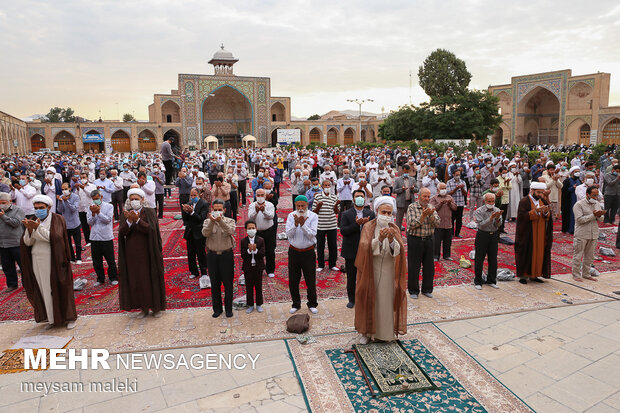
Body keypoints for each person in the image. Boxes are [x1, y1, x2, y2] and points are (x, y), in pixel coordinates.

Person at [354, 195, 406, 343]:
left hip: (389, 271)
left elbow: (399, 250)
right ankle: (366, 333)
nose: (386, 216)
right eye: (384, 212)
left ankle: (383, 334)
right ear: (377, 211)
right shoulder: (368, 226)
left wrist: (390, 240)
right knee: (368, 299)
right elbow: (364, 248)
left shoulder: (394, 228)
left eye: (389, 213)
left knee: (385, 303)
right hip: (371, 270)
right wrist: (380, 240)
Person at [20, 194, 77, 329]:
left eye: (41, 207)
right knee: (44, 289)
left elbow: (56, 239)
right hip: (37, 259)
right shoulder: (33, 219)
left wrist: (37, 228)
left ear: (49, 207)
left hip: (54, 260)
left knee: (60, 287)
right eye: (36, 208)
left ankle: (69, 318)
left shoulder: (57, 219)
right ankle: (52, 319)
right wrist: (29, 230)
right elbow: (27, 242)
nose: (38, 210)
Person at [118, 188, 166, 318]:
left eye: (136, 199)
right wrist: (129, 221)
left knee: (150, 277)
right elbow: (122, 232)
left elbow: (151, 230)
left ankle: (155, 307)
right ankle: (143, 308)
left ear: (142, 200)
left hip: (148, 251)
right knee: (137, 279)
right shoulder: (126, 214)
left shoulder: (149, 212)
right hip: (132, 253)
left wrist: (138, 220)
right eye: (132, 199)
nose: (134, 202)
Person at [340, 189, 375, 308]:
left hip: (367, 249)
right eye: (357, 196)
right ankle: (352, 299)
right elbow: (343, 231)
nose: (360, 198)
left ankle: (365, 297)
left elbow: (374, 231)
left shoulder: (370, 213)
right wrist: (357, 224)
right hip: (351, 250)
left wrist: (365, 225)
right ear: (353, 199)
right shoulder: (346, 214)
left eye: (361, 196)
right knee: (351, 276)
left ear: (364, 199)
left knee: (366, 276)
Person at [202, 199, 236, 318]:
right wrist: (212, 222)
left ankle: (228, 309)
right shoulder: (207, 221)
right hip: (212, 256)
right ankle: (217, 309)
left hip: (226, 255)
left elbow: (230, 231)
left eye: (219, 210)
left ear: (224, 210)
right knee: (215, 284)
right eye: (215, 210)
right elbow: (205, 233)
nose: (217, 212)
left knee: (228, 284)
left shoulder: (230, 221)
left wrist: (220, 221)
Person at [285, 195, 319, 314]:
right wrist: (295, 224)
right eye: (298, 206)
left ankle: (312, 303)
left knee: (310, 279)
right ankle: (296, 303)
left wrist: (303, 225)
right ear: (295, 205)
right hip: (294, 252)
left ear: (307, 205)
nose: (300, 208)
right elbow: (288, 234)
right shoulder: (291, 216)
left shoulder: (313, 216)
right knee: (293, 279)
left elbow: (312, 235)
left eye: (302, 206)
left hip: (308, 252)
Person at [515, 182, 553, 284]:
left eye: (541, 192)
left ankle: (535, 274)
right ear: (532, 191)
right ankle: (524, 276)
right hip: (528, 233)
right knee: (527, 252)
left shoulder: (542, 200)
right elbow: (522, 217)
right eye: (538, 192)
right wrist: (534, 212)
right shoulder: (524, 201)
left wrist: (545, 212)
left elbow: (548, 216)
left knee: (539, 253)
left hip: (540, 232)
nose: (540, 195)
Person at [406, 187, 439, 299]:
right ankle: (413, 291)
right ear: (419, 196)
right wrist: (423, 215)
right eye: (424, 196)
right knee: (414, 266)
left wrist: (430, 215)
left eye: (428, 196)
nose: (426, 199)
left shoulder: (431, 208)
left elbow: (438, 223)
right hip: (415, 239)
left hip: (429, 239)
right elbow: (411, 225)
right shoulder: (412, 207)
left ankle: (427, 289)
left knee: (429, 266)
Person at [572, 187, 605, 282]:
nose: (595, 197)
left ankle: (586, 274)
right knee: (578, 255)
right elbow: (579, 220)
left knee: (589, 256)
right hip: (582, 233)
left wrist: (599, 215)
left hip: (593, 233)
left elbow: (601, 219)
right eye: (594, 195)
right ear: (587, 194)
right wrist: (593, 215)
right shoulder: (579, 205)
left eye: (597, 195)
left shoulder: (597, 204)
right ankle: (576, 274)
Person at [87, 190, 118, 286]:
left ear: (101, 197)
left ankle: (113, 277)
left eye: (97, 198)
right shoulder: (90, 207)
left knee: (110, 259)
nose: (95, 201)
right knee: (96, 260)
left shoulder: (109, 206)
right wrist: (93, 214)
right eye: (94, 199)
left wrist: (99, 213)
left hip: (106, 237)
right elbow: (89, 222)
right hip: (94, 237)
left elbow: (108, 220)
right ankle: (100, 278)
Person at [473, 193, 503, 290]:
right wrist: (490, 218)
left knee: (493, 259)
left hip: (494, 235)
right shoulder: (479, 211)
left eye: (492, 201)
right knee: (479, 258)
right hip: (482, 235)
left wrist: (497, 218)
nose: (491, 203)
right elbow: (481, 225)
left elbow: (498, 225)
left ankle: (492, 280)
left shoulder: (497, 210)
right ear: (485, 201)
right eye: (489, 201)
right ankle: (478, 281)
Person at [182, 188, 209, 281]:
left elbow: (201, 218)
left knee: (201, 253)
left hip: (199, 231)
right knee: (191, 253)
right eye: (191, 195)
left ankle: (204, 272)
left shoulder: (204, 204)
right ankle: (194, 271)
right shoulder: (189, 204)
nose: (192, 197)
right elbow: (185, 219)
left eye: (194, 195)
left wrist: (192, 212)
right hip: (190, 232)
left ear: (199, 195)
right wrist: (186, 211)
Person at [248, 188, 276, 278]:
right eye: (258, 195)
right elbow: (250, 218)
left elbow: (271, 216)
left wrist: (264, 211)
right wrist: (256, 211)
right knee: (256, 251)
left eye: (262, 195)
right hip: (257, 232)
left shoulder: (270, 205)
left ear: (265, 196)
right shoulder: (252, 205)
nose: (260, 197)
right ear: (256, 196)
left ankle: (270, 270)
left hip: (269, 231)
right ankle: (258, 269)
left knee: (270, 251)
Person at [313, 179, 340, 272]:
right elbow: (314, 212)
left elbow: (337, 212)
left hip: (332, 225)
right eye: (325, 185)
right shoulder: (318, 197)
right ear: (322, 186)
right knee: (320, 246)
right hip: (320, 225)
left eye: (329, 185)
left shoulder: (334, 197)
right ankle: (321, 264)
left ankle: (332, 264)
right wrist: (319, 206)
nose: (327, 187)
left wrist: (336, 205)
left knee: (333, 245)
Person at [0, 192, 24, 292]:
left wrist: (3, 216)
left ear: (10, 202)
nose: (1, 205)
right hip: (2, 244)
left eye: (3, 202)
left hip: (16, 243)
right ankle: (12, 284)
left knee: (23, 266)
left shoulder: (18, 210)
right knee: (7, 266)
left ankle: (27, 285)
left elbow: (16, 223)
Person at [240, 221, 265, 314]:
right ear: (246, 230)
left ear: (256, 229)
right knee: (249, 286)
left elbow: (262, 254)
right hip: (248, 267)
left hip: (258, 267)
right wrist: (249, 251)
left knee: (258, 286)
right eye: (249, 228)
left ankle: (259, 304)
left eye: (253, 228)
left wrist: (255, 250)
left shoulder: (260, 240)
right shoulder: (243, 241)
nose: (251, 230)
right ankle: (250, 305)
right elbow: (243, 255)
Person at [56, 182, 82, 264]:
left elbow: (74, 209)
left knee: (77, 242)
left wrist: (67, 201)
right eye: (63, 189)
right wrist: (60, 201)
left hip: (75, 223)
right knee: (68, 243)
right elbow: (59, 210)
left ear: (70, 189)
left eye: (66, 189)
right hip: (66, 224)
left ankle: (79, 258)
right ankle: (71, 257)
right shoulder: (61, 197)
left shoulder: (76, 197)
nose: (64, 191)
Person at [430, 182, 456, 261]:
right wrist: (440, 204)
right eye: (442, 188)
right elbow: (432, 208)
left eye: (445, 188)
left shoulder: (450, 197)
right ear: (438, 189)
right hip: (438, 224)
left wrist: (449, 204)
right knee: (437, 242)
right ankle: (436, 256)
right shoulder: (434, 198)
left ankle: (446, 255)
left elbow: (455, 208)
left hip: (448, 223)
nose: (444, 190)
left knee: (448, 241)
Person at [75, 172, 96, 247]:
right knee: (84, 225)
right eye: (81, 178)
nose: (83, 179)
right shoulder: (79, 186)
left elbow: (92, 195)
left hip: (90, 207)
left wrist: (84, 188)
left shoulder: (92, 186)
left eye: (84, 177)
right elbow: (77, 196)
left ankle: (95, 238)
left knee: (93, 223)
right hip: (81, 208)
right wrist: (78, 189)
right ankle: (88, 240)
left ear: (87, 177)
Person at [393, 164, 416, 231]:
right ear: (403, 170)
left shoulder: (412, 179)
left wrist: (413, 189)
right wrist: (401, 189)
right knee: (399, 220)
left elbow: (417, 189)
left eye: (407, 172)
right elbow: (394, 191)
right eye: (405, 172)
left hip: (410, 202)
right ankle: (397, 232)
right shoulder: (398, 180)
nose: (406, 173)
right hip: (401, 202)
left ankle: (410, 232)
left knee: (411, 219)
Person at [446, 169, 466, 237]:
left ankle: (457, 233)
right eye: (456, 175)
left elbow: (465, 194)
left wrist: (462, 188)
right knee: (451, 219)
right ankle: (450, 233)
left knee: (459, 220)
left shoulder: (462, 182)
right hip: (452, 204)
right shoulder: (449, 182)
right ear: (453, 175)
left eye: (459, 175)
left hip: (460, 203)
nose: (458, 176)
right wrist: (456, 188)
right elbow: (448, 193)